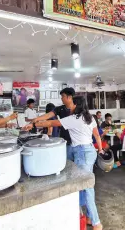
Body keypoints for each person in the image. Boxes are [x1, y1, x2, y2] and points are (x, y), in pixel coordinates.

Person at [23, 96, 103, 230]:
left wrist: (33, 124)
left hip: (82, 152)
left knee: (87, 187)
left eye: (71, 105)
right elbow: (97, 135)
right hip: (89, 150)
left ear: (76, 105)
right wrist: (100, 149)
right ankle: (89, 217)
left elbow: (51, 124)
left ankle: (96, 223)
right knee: (86, 184)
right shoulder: (89, 117)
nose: (69, 107)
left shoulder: (74, 118)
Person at [31, 87, 75, 161]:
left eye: (63, 96)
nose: (61, 98)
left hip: (77, 142)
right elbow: (48, 115)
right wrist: (36, 119)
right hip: (65, 140)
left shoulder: (77, 110)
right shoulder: (60, 108)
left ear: (69, 97)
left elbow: (51, 123)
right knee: (67, 162)